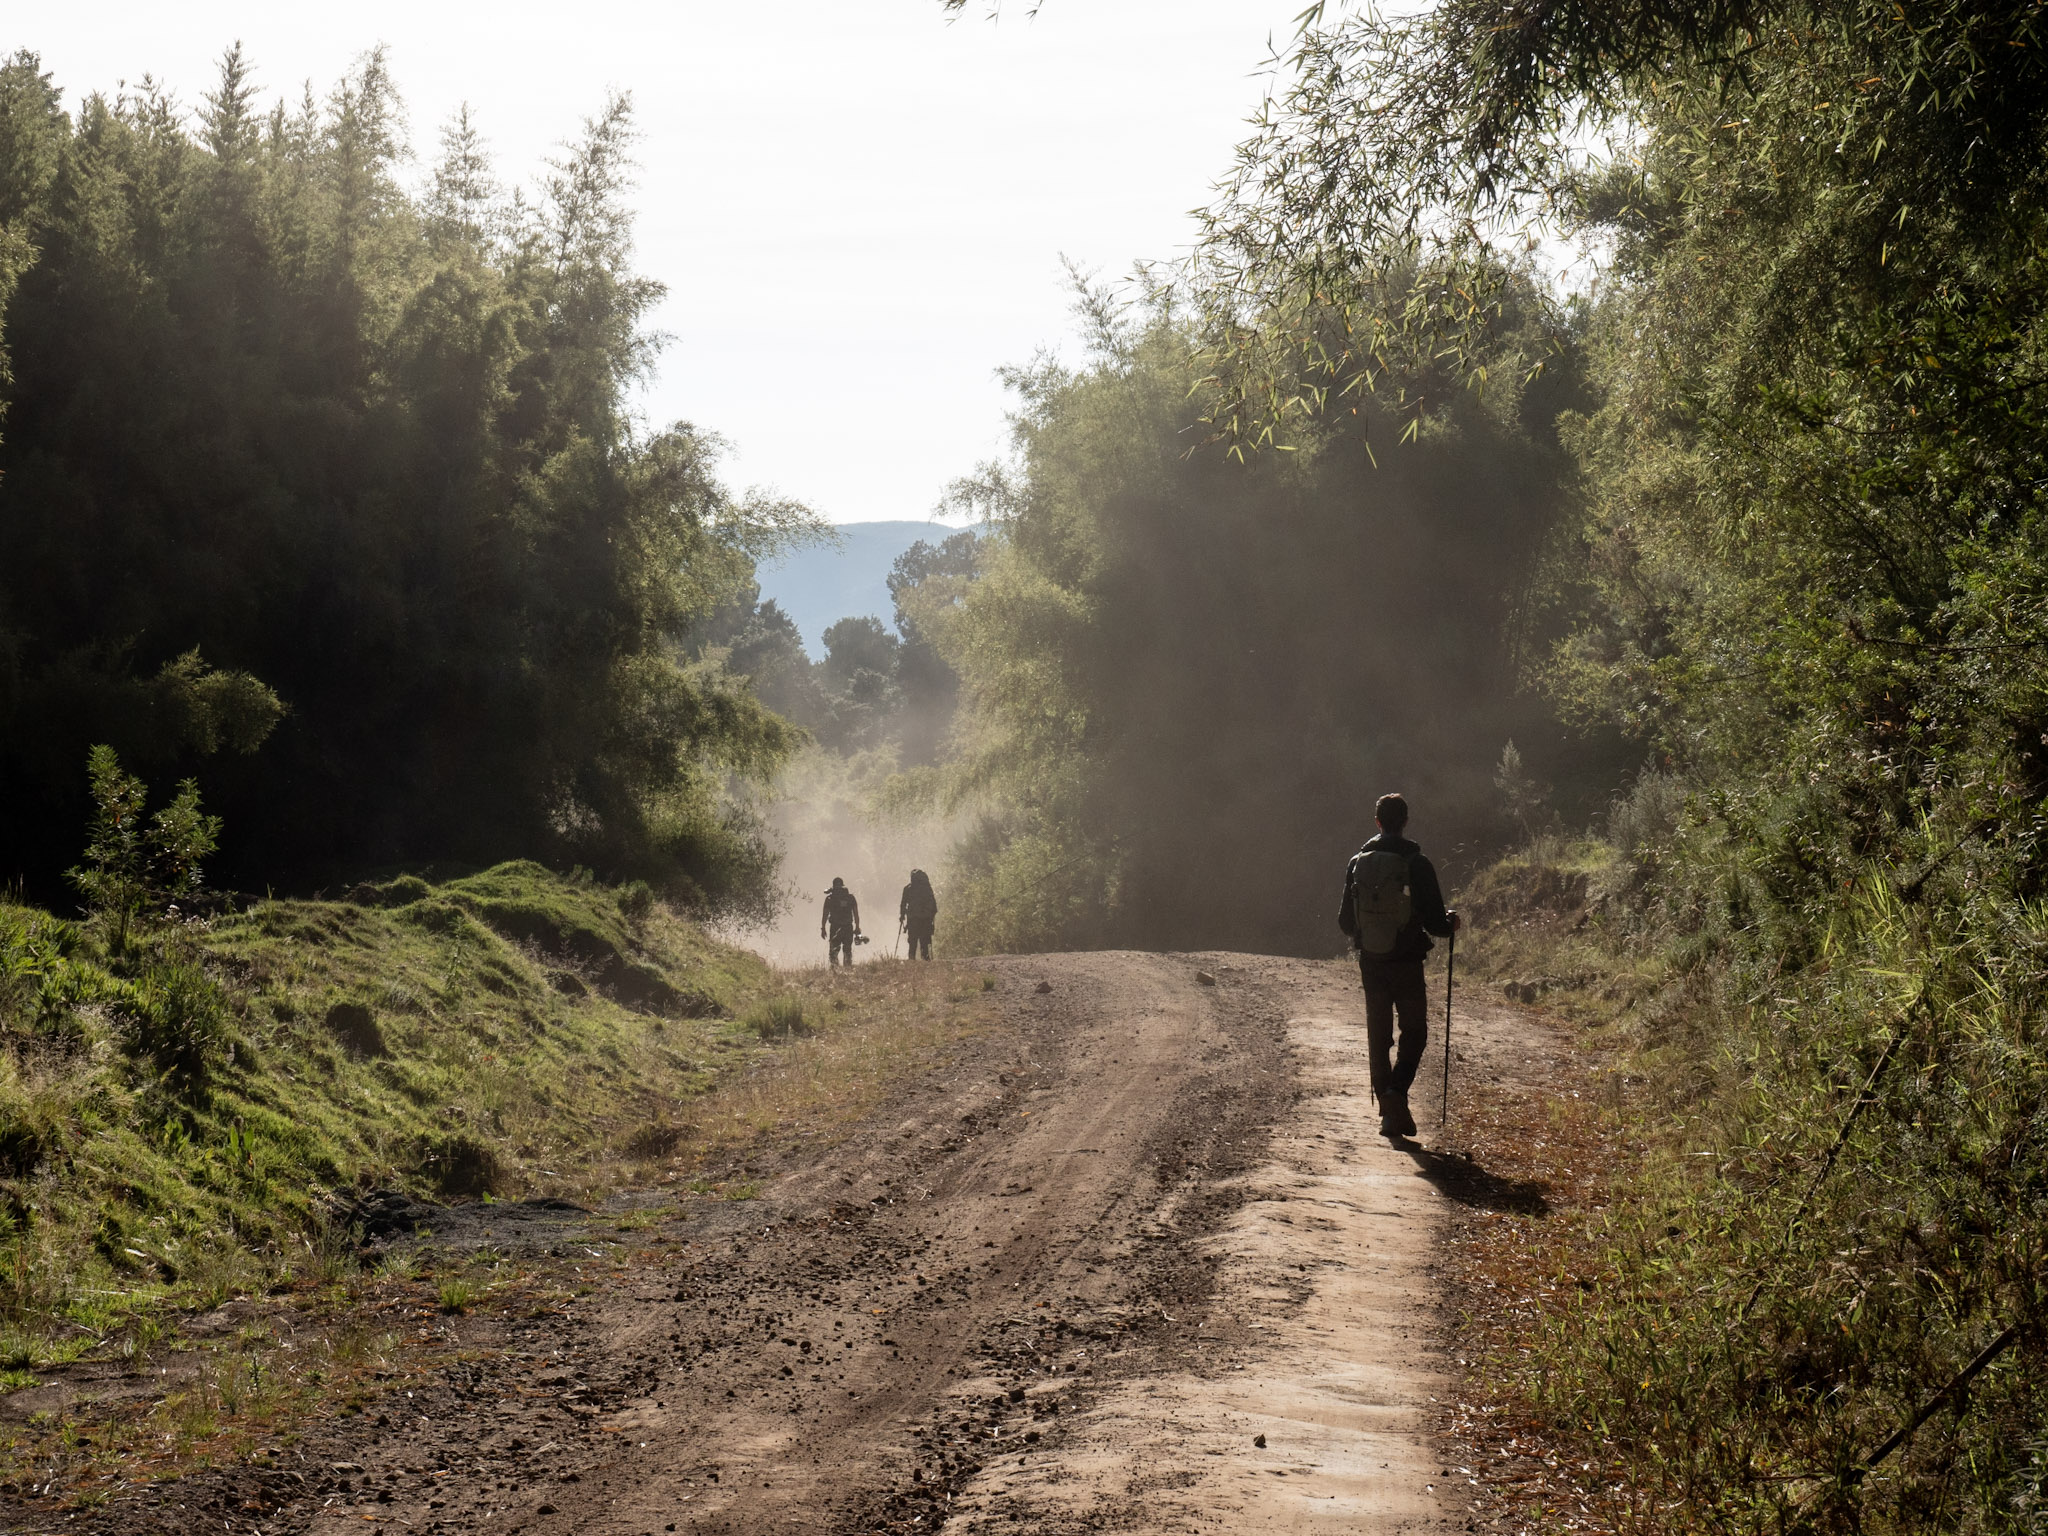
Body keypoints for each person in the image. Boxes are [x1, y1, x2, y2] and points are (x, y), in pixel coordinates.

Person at [1337, 792, 1460, 1139]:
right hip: (1406, 962)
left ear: (1377, 822)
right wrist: (1451, 923)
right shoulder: (1417, 863)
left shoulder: (1356, 862)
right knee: (1415, 1032)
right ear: (1405, 822)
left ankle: (1388, 1108)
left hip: (1372, 964)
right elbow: (1437, 923)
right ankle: (1397, 1093)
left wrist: (1370, 932)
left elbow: (1346, 923)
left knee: (1379, 1036)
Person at [821, 876, 862, 966]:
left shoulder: (829, 899)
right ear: (842, 886)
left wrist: (823, 928)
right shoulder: (850, 898)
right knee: (847, 951)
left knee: (833, 952)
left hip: (835, 928)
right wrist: (857, 927)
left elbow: (825, 914)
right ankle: (847, 971)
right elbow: (856, 914)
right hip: (848, 927)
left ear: (833, 886)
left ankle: (835, 973)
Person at [899, 869, 938, 960]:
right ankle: (926, 961)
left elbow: (903, 904)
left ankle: (911, 961)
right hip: (926, 920)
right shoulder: (927, 889)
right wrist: (931, 918)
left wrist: (902, 916)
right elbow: (934, 907)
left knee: (912, 942)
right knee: (924, 942)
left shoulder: (908, 889)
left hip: (913, 920)